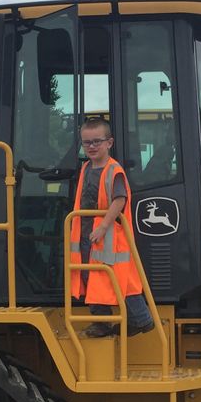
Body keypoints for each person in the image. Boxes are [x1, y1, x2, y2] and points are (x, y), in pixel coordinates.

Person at [69, 119, 156, 338]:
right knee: (92, 277)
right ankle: (102, 323)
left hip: (110, 237)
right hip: (89, 235)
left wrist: (103, 226)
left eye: (97, 141)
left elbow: (119, 200)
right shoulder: (86, 168)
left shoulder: (113, 170)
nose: (91, 146)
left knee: (122, 280)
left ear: (109, 143)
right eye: (86, 142)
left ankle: (141, 320)